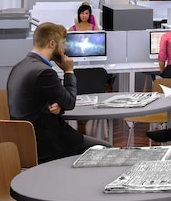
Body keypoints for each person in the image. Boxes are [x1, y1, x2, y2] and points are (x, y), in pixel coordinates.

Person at [7, 22, 113, 164]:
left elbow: (36, 101)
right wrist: (69, 71)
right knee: (108, 150)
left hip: (23, 143)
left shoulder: (19, 67)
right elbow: (70, 102)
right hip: (47, 145)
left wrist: (58, 107)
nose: (65, 48)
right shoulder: (44, 72)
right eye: (63, 43)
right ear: (52, 44)